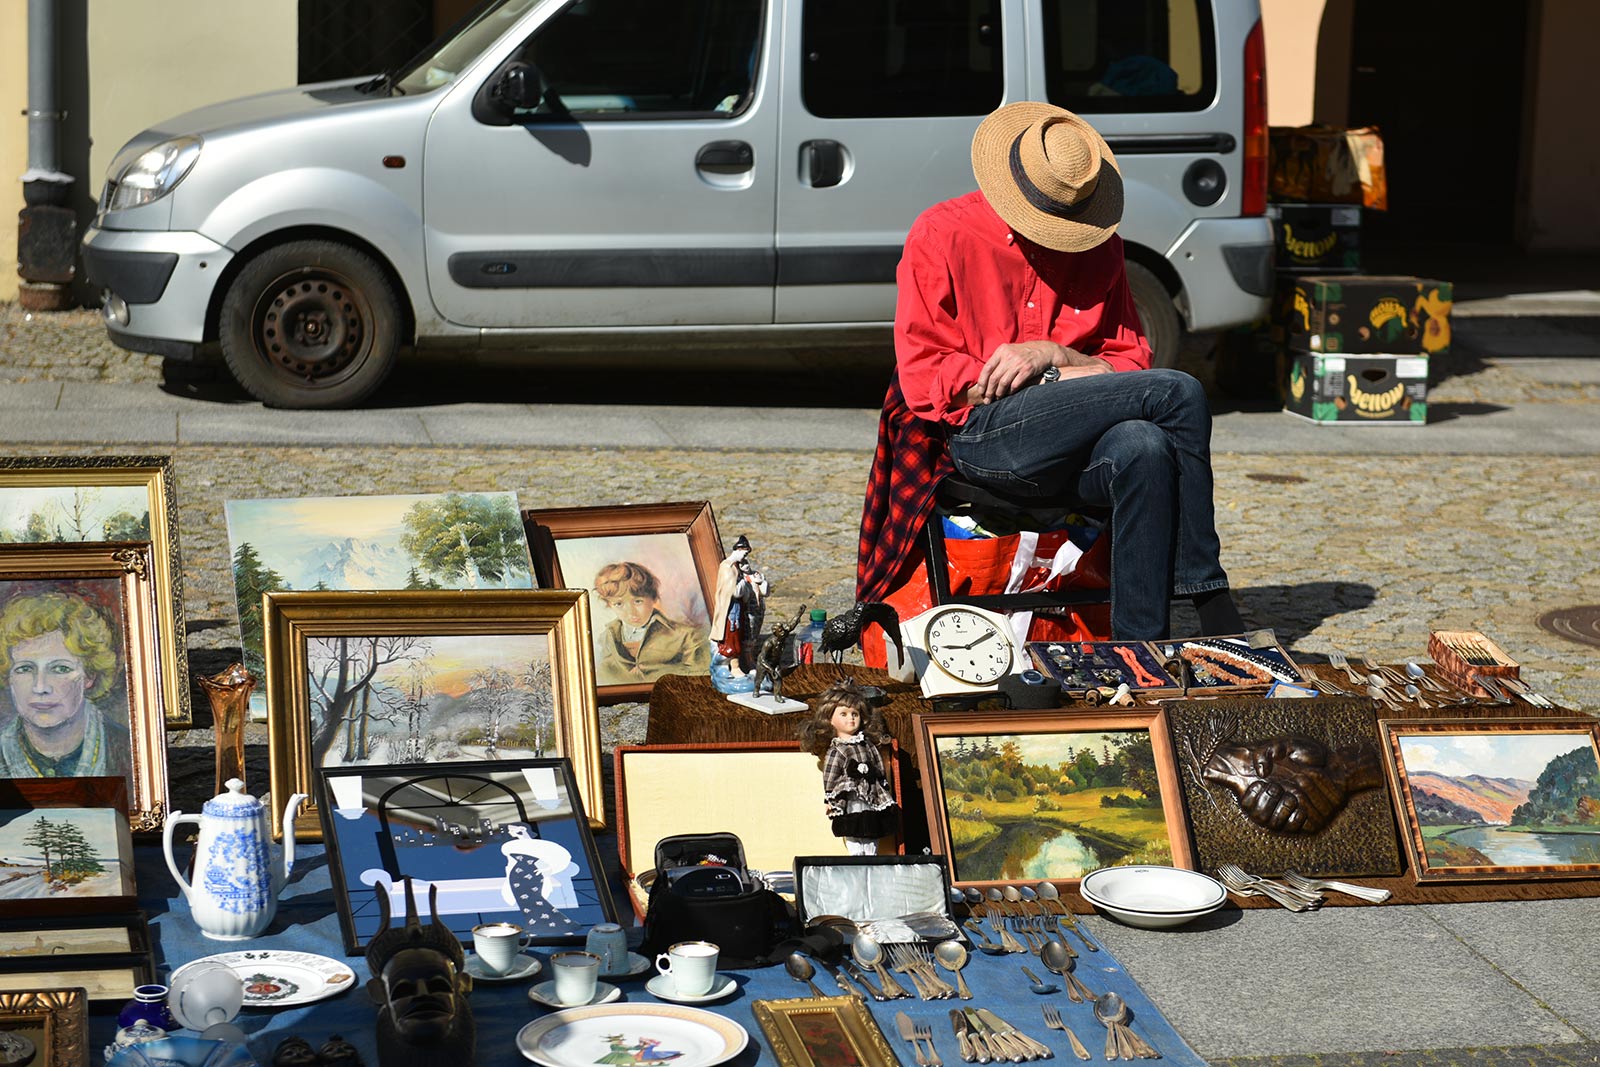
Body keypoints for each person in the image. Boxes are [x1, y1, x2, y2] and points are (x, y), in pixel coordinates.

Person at [859, 101, 1244, 640]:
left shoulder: (1100, 247)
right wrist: (1050, 381)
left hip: (1078, 446)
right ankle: (1207, 593)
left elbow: (1130, 361)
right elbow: (925, 377)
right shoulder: (942, 233)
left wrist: (1054, 357)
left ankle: (1138, 650)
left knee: (1146, 447)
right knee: (1180, 392)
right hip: (985, 436)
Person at [0, 591, 131, 779]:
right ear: (8, 676)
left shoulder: (128, 751)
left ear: (89, 675)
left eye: (60, 669)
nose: (40, 687)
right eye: (25, 669)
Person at [799, 678, 898, 855]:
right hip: (850, 793)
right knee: (853, 825)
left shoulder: (867, 745)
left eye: (855, 714)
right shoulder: (836, 749)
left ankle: (871, 854)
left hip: (871, 791)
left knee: (872, 824)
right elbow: (830, 775)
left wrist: (883, 784)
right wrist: (830, 799)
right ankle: (856, 855)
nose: (851, 718)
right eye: (843, 714)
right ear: (829, 719)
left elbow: (877, 764)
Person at [592, 561, 712, 685]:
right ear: (609, 605)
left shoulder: (687, 636)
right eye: (619, 604)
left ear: (653, 598)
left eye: (638, 601)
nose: (631, 612)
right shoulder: (606, 638)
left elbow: (701, 675)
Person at [708, 536, 767, 675]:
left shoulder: (735, 566)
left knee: (737, 637)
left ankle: (737, 666)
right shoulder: (727, 567)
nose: (745, 557)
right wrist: (745, 582)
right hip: (729, 609)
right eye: (745, 553)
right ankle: (731, 667)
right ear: (739, 550)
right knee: (730, 637)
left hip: (737, 607)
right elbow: (734, 591)